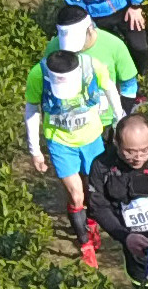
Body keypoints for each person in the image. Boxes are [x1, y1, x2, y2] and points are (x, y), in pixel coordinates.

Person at [24, 47, 122, 266]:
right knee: (76, 195)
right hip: (60, 143)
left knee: (92, 190)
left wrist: (120, 120)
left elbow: (109, 89)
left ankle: (91, 222)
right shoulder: (37, 75)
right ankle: (85, 243)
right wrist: (35, 150)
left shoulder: (92, 67)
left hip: (92, 139)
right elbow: (32, 110)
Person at [88, 113, 148, 287]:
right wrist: (125, 237)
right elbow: (98, 206)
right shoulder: (102, 165)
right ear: (117, 143)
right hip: (136, 249)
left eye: (145, 150)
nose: (138, 157)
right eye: (129, 152)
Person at [47, 9, 138, 112]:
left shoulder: (114, 44)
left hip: (105, 120)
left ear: (90, 28)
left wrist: (121, 116)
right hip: (65, 120)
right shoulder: (52, 47)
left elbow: (129, 85)